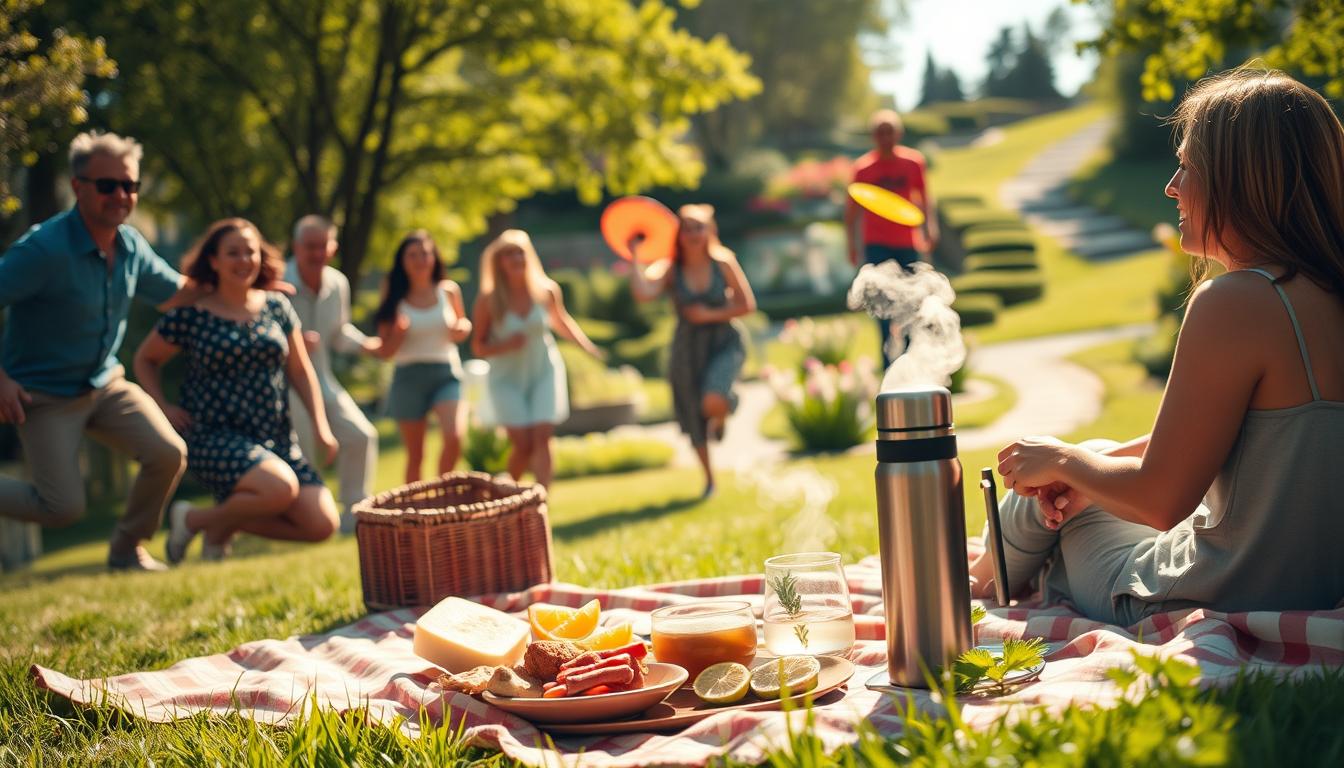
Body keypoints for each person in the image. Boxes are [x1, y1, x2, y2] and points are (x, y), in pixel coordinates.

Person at [978, 68, 1344, 623]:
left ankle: (977, 579)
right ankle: (990, 563)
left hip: (1208, 592)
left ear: (1238, 180)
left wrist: (1061, 459)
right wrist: (1085, 465)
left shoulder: (1237, 301)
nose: (1172, 186)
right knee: (1092, 455)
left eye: (1188, 167)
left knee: (1061, 487)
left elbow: (1159, 500)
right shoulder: (1324, 294)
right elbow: (1242, 433)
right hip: (1307, 585)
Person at [0, 131, 196, 571]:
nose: (121, 195)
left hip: (104, 383)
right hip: (43, 396)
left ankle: (126, 550)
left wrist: (244, 282)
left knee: (168, 454)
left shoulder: (130, 245)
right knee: (62, 508)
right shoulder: (43, 249)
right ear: (77, 186)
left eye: (129, 185)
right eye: (108, 185)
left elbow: (175, 293)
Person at [135, 218, 339, 562]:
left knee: (321, 525)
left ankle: (206, 522)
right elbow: (145, 359)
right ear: (213, 260)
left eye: (251, 252)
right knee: (280, 488)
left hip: (274, 437)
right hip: (213, 435)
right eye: (233, 253)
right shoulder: (192, 313)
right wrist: (164, 408)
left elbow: (301, 371)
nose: (244, 260)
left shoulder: (276, 306)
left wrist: (321, 427)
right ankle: (197, 520)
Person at [630, 205, 756, 498]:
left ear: (709, 230)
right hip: (687, 348)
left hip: (724, 340)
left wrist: (708, 315)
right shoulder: (670, 268)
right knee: (692, 412)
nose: (692, 233)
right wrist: (635, 254)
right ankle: (710, 479)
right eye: (686, 228)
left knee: (712, 400)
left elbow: (747, 304)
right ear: (679, 234)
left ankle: (723, 409)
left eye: (698, 227)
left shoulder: (723, 262)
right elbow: (642, 293)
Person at [471, 229, 601, 489]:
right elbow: (478, 347)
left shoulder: (546, 290)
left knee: (542, 438)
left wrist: (588, 347)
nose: (516, 258)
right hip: (506, 379)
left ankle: (542, 501)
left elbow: (561, 321)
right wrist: (506, 345)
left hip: (543, 371)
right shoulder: (489, 300)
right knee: (524, 445)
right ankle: (510, 495)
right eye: (509, 254)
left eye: (520, 252)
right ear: (499, 262)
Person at [285, 215, 381, 533]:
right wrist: (293, 343)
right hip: (283, 385)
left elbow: (338, 333)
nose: (316, 253)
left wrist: (369, 345)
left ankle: (353, 514)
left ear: (333, 247)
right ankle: (310, 520)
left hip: (322, 380)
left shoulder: (337, 283)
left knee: (361, 435)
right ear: (296, 247)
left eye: (322, 246)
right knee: (305, 449)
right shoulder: (279, 283)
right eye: (309, 246)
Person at [373, 231, 472, 484]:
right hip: (408, 377)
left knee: (454, 437)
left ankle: (442, 493)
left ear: (434, 257)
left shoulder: (448, 291)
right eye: (412, 255)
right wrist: (397, 334)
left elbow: (462, 326)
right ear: (402, 262)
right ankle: (414, 514)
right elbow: (386, 352)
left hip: (445, 374)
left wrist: (462, 329)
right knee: (416, 455)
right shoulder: (395, 298)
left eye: (425, 253)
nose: (420, 260)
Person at [844, 109, 939, 369]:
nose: (885, 137)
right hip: (876, 245)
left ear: (898, 133)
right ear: (873, 136)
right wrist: (851, 245)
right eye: (880, 132)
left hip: (907, 243)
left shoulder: (913, 163)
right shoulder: (863, 169)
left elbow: (925, 199)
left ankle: (912, 362)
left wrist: (930, 228)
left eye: (889, 131)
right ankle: (888, 363)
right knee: (883, 307)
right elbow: (851, 212)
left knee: (912, 304)